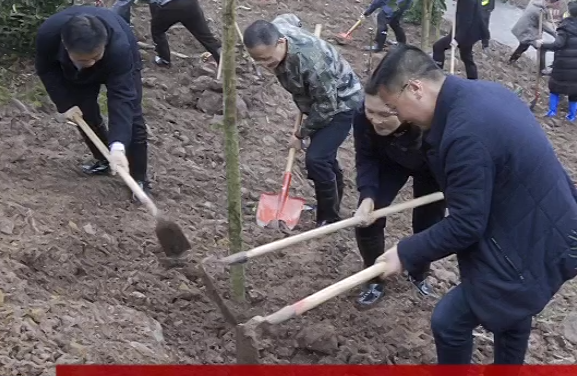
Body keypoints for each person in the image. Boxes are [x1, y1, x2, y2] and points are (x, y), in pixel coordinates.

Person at [364, 44, 577, 365]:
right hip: (555, 226)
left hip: (531, 243)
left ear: (415, 89)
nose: (400, 118)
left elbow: (466, 224)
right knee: (513, 313)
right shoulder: (485, 93)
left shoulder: (464, 135)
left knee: (449, 322)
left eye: (394, 108)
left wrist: (404, 253)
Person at [243, 15, 363, 226]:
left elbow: (327, 106)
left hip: (342, 102)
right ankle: (333, 204)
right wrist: (302, 28)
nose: (264, 65)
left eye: (267, 59)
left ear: (281, 42)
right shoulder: (277, 28)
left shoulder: (313, 63)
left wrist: (300, 134)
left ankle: (328, 217)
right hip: (316, 101)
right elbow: (291, 18)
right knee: (324, 157)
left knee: (316, 159)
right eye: (258, 60)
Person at [35, 5, 151, 200]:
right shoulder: (49, 35)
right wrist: (65, 103)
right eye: (84, 60)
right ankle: (103, 159)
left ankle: (139, 178)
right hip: (74, 70)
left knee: (133, 116)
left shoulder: (119, 48)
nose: (90, 64)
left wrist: (118, 146)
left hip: (118, 62)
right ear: (66, 46)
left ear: (104, 45)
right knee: (84, 111)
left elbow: (122, 99)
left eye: (95, 57)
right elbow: (46, 69)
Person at [352, 94, 445, 306]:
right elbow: (365, 156)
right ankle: (374, 278)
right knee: (367, 221)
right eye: (371, 112)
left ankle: (419, 273)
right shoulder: (362, 115)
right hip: (391, 160)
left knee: (428, 223)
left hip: (432, 168)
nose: (376, 120)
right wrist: (367, 195)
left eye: (385, 114)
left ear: (406, 111)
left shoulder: (432, 122)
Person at [531, 1, 577, 121]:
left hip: (563, 64)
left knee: (555, 87)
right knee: (574, 90)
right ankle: (572, 116)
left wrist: (542, 44)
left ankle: (552, 112)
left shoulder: (565, 27)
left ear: (569, 12)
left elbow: (558, 45)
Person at [147, 0, 221, 68]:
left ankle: (164, 60)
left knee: (157, 31)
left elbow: (153, 3)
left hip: (171, 6)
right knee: (206, 38)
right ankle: (223, 61)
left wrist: (156, 18)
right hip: (191, 4)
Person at [431, 0, 488, 79]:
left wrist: (457, 39)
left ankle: (436, 75)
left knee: (438, 47)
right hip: (468, 32)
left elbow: (466, 22)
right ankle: (473, 80)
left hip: (467, 33)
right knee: (466, 57)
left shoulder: (467, 1)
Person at [509, 0, 557, 72]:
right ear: (550, 2)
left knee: (523, 46)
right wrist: (555, 34)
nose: (558, 6)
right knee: (541, 47)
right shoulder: (539, 11)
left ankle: (512, 60)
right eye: (557, 4)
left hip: (525, 28)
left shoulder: (536, 3)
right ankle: (542, 70)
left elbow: (545, 21)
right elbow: (544, 25)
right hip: (527, 31)